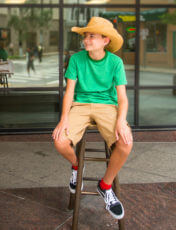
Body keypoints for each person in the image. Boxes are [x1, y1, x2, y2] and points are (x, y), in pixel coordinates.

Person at [52, 17, 133, 220]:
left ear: (105, 40)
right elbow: (69, 92)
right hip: (80, 105)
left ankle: (105, 186)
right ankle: (77, 165)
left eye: (92, 36)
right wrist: (63, 119)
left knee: (125, 143)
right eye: (85, 36)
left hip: (107, 106)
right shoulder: (77, 59)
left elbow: (122, 97)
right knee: (60, 141)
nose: (86, 40)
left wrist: (121, 120)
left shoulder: (115, 62)